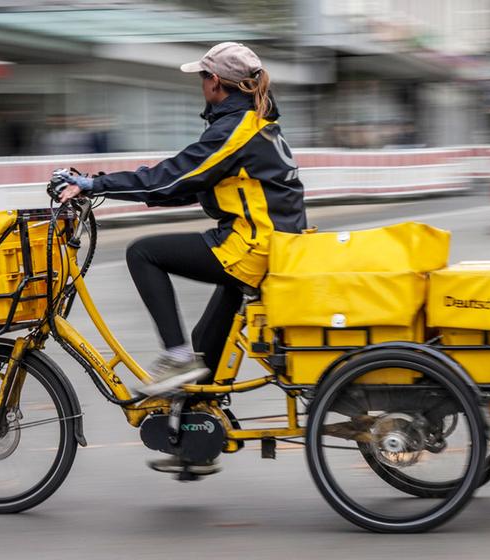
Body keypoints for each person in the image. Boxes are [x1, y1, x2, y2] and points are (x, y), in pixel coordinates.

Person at [49, 42, 306, 473]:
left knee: (144, 252)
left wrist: (93, 185)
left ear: (217, 84)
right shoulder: (253, 123)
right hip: (270, 246)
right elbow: (186, 185)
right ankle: (194, 439)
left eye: (202, 78)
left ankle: (175, 356)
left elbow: (174, 176)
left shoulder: (237, 128)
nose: (199, 86)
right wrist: (108, 187)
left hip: (253, 247)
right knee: (206, 356)